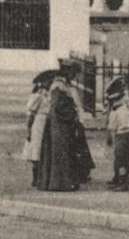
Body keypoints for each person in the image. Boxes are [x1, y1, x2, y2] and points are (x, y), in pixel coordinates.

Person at [39, 60, 92, 191]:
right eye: (72, 73)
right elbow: (58, 106)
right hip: (59, 123)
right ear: (67, 72)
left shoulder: (62, 84)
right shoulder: (58, 85)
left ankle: (63, 182)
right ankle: (60, 184)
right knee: (60, 152)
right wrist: (72, 114)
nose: (74, 76)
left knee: (64, 151)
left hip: (61, 122)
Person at [103, 78, 129, 192]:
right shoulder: (126, 109)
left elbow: (111, 129)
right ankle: (122, 179)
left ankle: (122, 182)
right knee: (126, 160)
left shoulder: (114, 113)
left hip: (120, 136)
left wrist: (111, 140)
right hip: (128, 135)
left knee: (119, 161)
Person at [22, 70, 55, 188]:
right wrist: (28, 130)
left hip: (46, 123)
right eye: (48, 81)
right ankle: (35, 177)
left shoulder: (48, 94)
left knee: (44, 150)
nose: (50, 84)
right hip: (38, 124)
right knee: (36, 150)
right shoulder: (38, 95)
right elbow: (30, 115)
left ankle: (42, 176)